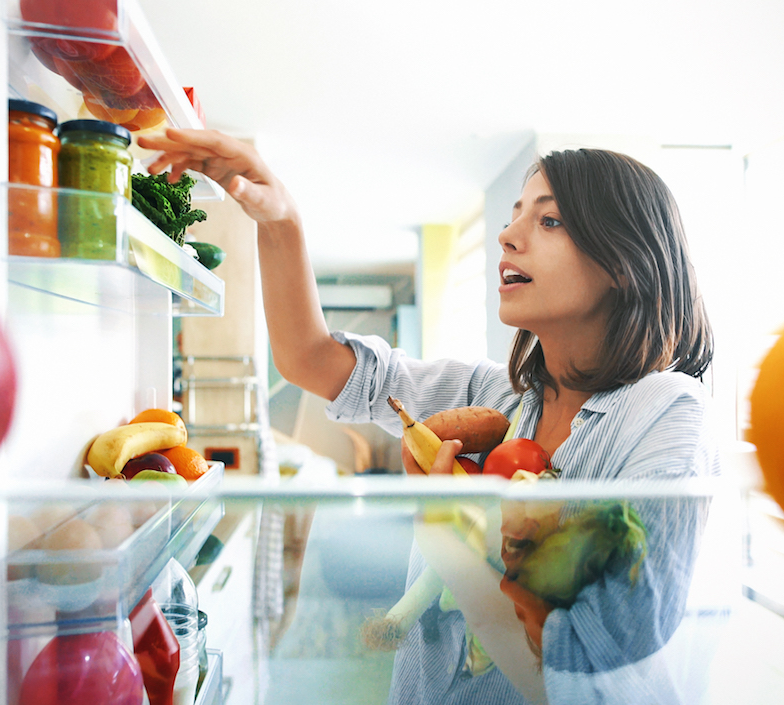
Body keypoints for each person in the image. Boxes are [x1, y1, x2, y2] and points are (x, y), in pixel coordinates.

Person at [138, 129, 720, 704]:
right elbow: (309, 358)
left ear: (623, 261)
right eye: (515, 214)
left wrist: (445, 532)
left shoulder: (667, 413)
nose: (508, 234)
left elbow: (588, 664)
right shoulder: (497, 395)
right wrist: (279, 217)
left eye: (549, 221)